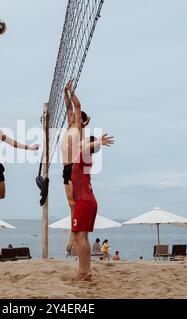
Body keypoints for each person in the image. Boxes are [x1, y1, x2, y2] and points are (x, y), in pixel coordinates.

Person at [69, 83, 115, 281]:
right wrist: (69, 93)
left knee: (80, 238)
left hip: (85, 202)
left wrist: (98, 142)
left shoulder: (84, 154)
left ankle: (83, 271)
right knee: (83, 238)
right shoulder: (84, 158)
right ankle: (86, 271)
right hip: (89, 201)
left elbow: (88, 146)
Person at [61, 80, 91, 254]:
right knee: (71, 205)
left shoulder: (78, 127)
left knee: (77, 204)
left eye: (73, 115)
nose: (70, 115)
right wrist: (65, 93)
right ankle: (74, 233)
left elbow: (76, 106)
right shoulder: (70, 127)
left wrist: (71, 91)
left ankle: (74, 236)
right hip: (66, 168)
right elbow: (69, 108)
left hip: (74, 167)